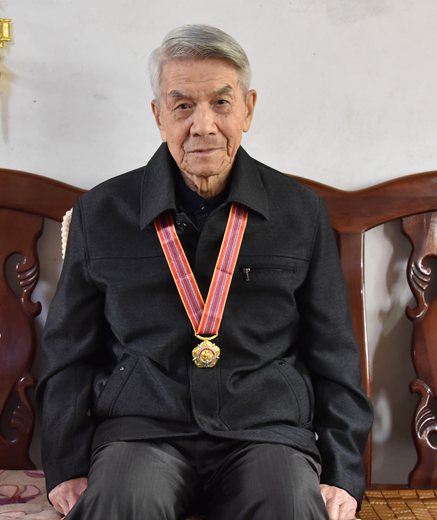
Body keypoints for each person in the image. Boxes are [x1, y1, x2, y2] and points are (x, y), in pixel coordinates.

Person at [36, 24, 373, 520]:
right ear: (158, 115)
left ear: (248, 109)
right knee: (119, 507)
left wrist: (342, 472)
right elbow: (67, 353)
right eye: (183, 106)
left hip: (265, 431)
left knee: (288, 507)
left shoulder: (300, 213)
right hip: (142, 432)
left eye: (221, 103)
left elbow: (335, 353)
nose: (204, 125)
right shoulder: (102, 213)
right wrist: (65, 465)